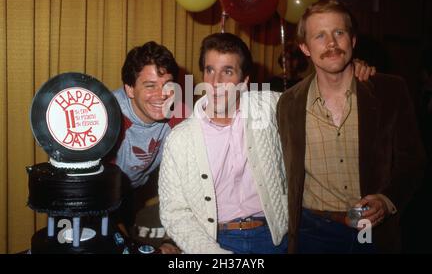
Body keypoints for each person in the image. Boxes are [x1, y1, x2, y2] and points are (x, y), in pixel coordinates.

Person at [158, 32, 375, 254]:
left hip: (274, 237)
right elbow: (174, 212)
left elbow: (319, 92)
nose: (215, 82)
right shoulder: (180, 139)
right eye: (210, 70)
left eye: (228, 71)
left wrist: (348, 69)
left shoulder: (271, 107)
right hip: (214, 240)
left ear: (244, 82)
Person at [276, 0, 426, 254]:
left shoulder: (391, 91)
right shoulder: (287, 103)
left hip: (376, 234)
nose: (331, 44)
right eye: (320, 36)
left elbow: (413, 162)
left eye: (339, 33)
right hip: (312, 234)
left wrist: (386, 199)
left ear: (353, 40)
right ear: (305, 47)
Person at [106, 41, 184, 254]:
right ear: (129, 89)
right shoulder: (107, 117)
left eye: (167, 85)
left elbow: (192, 181)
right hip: (100, 194)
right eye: (150, 86)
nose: (162, 95)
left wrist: (174, 240)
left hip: (136, 191)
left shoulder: (180, 115)